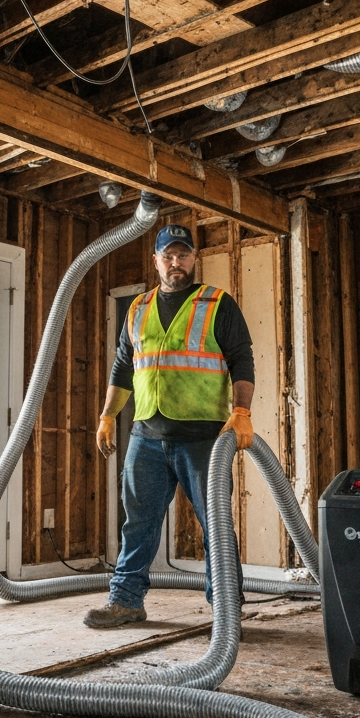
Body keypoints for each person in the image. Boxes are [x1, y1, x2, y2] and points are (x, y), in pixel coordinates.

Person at [84, 222, 255, 628]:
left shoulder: (217, 303)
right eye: (168, 255)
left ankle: (228, 611)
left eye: (183, 254)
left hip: (202, 438)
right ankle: (126, 601)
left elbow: (242, 360)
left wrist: (242, 411)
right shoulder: (138, 308)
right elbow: (124, 367)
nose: (175, 262)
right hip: (146, 436)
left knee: (216, 525)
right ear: (156, 260)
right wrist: (108, 415)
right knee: (138, 523)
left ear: (194, 258)